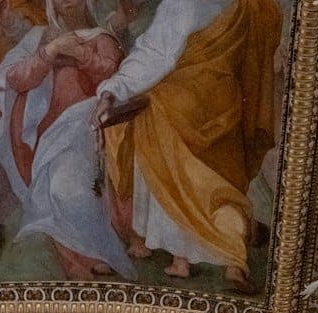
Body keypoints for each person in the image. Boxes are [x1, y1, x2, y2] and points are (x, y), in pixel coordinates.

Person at [94, 0, 282, 290]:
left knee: (176, 181)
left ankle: (181, 261)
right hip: (225, 100)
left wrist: (112, 89)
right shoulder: (252, 5)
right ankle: (234, 262)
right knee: (220, 185)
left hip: (182, 105)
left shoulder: (183, 3)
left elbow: (157, 55)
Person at [0, 0, 132, 277]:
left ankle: (94, 253)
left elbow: (111, 74)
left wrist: (81, 55)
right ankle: (72, 260)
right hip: (49, 135)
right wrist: (50, 52)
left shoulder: (101, 38)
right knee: (56, 191)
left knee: (75, 190)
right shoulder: (42, 38)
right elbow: (16, 78)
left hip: (86, 128)